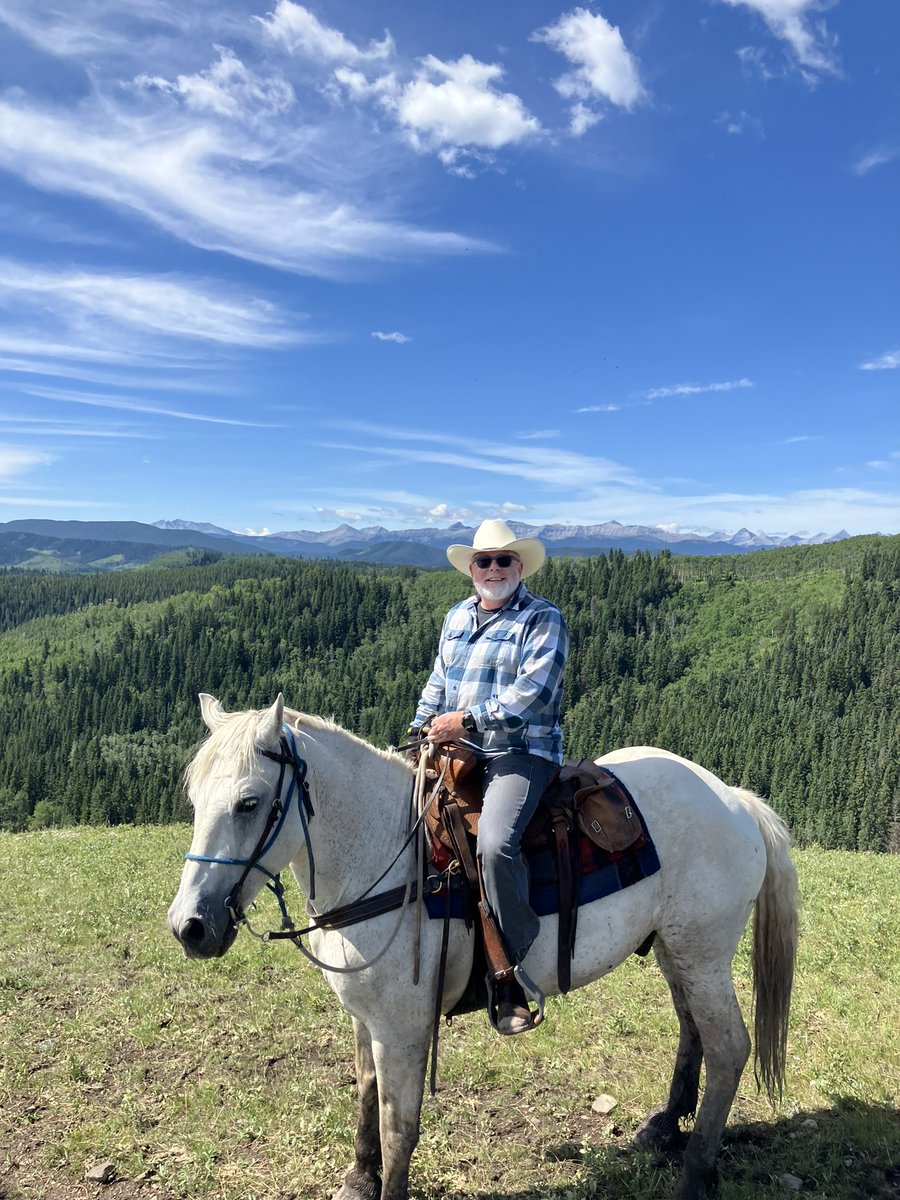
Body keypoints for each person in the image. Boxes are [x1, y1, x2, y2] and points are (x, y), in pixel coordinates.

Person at [409, 518, 568, 1034]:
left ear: (519, 567)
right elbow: (439, 682)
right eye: (484, 561)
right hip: (455, 749)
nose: (493, 568)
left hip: (520, 751)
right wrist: (419, 727)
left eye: (503, 560)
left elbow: (535, 692)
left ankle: (511, 969)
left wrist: (469, 721)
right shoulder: (457, 616)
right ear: (471, 569)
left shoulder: (542, 618)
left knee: (496, 843)